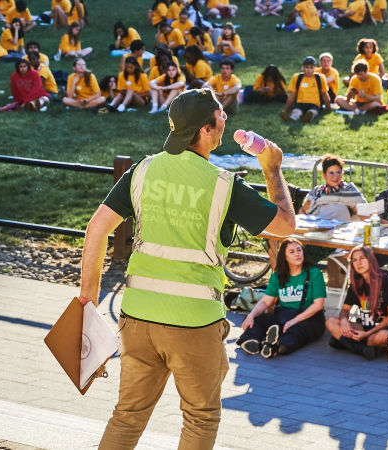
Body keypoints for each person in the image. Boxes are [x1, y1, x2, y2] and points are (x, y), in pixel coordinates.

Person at [81, 88, 295, 449]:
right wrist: (272, 168)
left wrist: (87, 300)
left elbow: (96, 229)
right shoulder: (224, 185)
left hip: (137, 317)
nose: (225, 117)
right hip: (194, 323)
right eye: (220, 115)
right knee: (200, 418)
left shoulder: (142, 171)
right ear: (206, 130)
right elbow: (287, 226)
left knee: (128, 415)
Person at [237, 239, 326, 358]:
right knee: (257, 320)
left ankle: (277, 347)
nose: (297, 254)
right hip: (286, 316)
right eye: (292, 252)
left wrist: (296, 320)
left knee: (296, 332)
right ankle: (252, 343)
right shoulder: (277, 276)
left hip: (311, 318)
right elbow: (265, 301)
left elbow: (318, 304)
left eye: (299, 250)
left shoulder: (314, 273)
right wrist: (251, 316)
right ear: (285, 257)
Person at [326, 245, 388, 360]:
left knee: (382, 336)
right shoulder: (357, 282)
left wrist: (366, 334)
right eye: (355, 260)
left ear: (371, 260)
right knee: (331, 322)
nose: (358, 263)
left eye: (362, 258)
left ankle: (349, 343)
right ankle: (364, 349)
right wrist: (344, 320)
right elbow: (345, 310)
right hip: (368, 327)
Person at [300, 154, 365, 221]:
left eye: (338, 173)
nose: (335, 177)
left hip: (341, 229)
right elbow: (302, 211)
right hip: (318, 229)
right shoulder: (317, 192)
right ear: (324, 175)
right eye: (331, 173)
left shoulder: (349, 192)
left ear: (342, 174)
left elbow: (364, 213)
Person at [280, 56, 332, 124]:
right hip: (300, 103)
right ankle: (293, 118)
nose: (309, 70)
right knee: (296, 111)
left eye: (311, 68)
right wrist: (286, 110)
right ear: (303, 68)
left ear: (315, 68)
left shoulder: (320, 78)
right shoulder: (297, 77)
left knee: (312, 111)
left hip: (314, 104)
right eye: (306, 67)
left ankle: (308, 117)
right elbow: (292, 95)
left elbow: (325, 95)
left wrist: (329, 110)